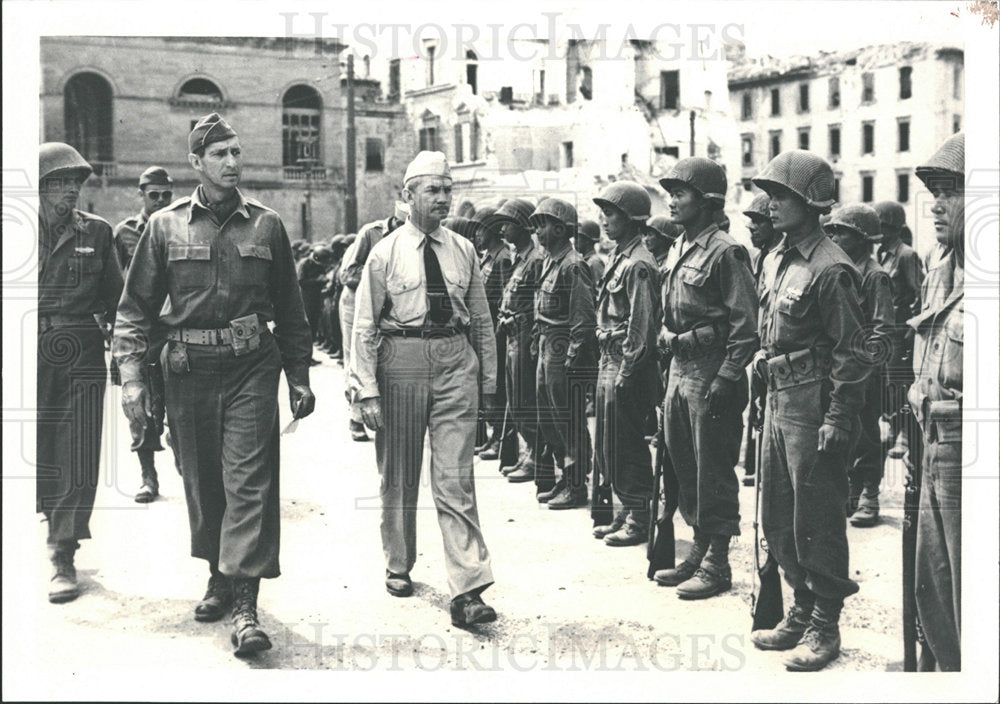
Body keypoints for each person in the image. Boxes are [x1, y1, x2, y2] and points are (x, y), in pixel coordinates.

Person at [113, 113, 316, 656]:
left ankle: (246, 606)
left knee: (249, 481)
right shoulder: (165, 227)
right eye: (220, 154)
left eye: (236, 152)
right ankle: (218, 574)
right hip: (188, 371)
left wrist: (298, 375)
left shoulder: (267, 225)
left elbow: (291, 310)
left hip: (252, 366)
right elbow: (133, 310)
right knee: (203, 482)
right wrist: (131, 378)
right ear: (196, 162)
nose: (232, 162)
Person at [350, 151, 499, 627]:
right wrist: (366, 390)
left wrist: (488, 381)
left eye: (448, 189)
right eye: (433, 190)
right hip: (401, 360)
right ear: (408, 195)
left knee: (456, 478)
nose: (443, 198)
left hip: (455, 360)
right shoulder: (384, 252)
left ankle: (468, 588)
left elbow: (481, 319)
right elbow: (364, 325)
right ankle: (398, 561)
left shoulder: (464, 250)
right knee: (399, 473)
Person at [747, 150, 870, 671]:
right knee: (778, 514)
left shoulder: (831, 267)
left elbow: (852, 353)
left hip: (812, 404)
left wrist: (839, 417)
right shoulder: (777, 258)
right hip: (778, 396)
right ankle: (799, 608)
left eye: (781, 196)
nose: (770, 205)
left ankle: (825, 623)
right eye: (770, 195)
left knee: (816, 517)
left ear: (811, 203)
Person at [652, 158, 759, 598]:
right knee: (684, 464)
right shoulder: (679, 247)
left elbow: (746, 326)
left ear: (707, 200)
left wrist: (727, 377)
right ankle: (698, 549)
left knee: (713, 466)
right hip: (679, 369)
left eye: (680, 193)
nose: (672, 201)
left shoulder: (726, 251)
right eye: (671, 193)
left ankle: (718, 561)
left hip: (711, 371)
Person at [37, 143, 124, 604]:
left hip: (80, 349)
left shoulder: (98, 232)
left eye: (76, 181)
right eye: (59, 181)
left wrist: (129, 358)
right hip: (25, 347)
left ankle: (63, 551)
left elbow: (119, 302)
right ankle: (49, 521)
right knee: (35, 447)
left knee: (76, 451)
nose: (70, 189)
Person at [907, 133, 964, 671]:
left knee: (970, 590)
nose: (937, 206)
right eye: (934, 194)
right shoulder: (938, 268)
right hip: (931, 446)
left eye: (951, 193)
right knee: (933, 584)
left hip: (970, 457)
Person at [590, 181, 661, 547]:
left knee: (627, 443)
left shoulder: (639, 263)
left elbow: (641, 324)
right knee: (608, 442)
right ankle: (626, 506)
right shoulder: (620, 256)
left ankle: (640, 514)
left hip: (625, 361)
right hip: (609, 357)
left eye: (611, 214)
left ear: (631, 218)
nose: (604, 220)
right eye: (603, 214)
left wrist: (629, 370)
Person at [824, 205, 895, 527]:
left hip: (866, 371)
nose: (834, 236)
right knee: (847, 432)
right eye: (833, 230)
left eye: (841, 231)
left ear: (862, 238)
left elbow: (882, 330)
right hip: (842, 368)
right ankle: (852, 491)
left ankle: (869, 495)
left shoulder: (874, 275)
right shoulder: (842, 270)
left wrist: (864, 369)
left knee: (866, 434)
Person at [528, 198, 597, 509]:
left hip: (563, 349)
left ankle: (577, 483)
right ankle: (565, 476)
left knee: (568, 419)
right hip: (547, 344)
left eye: (542, 225)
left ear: (559, 229)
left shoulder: (573, 264)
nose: (537, 231)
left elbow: (583, 317)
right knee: (549, 417)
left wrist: (573, 357)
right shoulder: (550, 261)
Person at [113, 166, 177, 503]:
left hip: (173, 332)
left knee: (180, 405)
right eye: (154, 195)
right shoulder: (124, 233)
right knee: (139, 410)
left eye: (166, 195)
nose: (161, 201)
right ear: (141, 195)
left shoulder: (180, 227)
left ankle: (186, 466)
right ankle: (148, 476)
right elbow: (115, 284)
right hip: (140, 331)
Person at [340, 203, 408, 441]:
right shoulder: (371, 233)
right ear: (395, 222)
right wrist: (380, 277)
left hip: (389, 305)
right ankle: (356, 418)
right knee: (357, 356)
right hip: (356, 301)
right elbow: (347, 273)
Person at [494, 199, 546, 484]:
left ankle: (536, 456)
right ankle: (530, 453)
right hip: (512, 335)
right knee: (515, 400)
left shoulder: (535, 260)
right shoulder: (520, 258)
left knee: (525, 399)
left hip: (525, 337)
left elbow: (538, 305)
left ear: (523, 226)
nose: (501, 229)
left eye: (507, 224)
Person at [873, 200, 924, 462]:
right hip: (885, 329)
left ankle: (903, 432)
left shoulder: (906, 255)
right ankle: (894, 425)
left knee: (899, 383)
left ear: (892, 227)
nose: (877, 232)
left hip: (901, 331)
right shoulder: (882, 254)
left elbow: (920, 293)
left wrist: (912, 328)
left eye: (881, 226)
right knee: (886, 382)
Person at [743, 192, 781, 486]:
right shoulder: (760, 258)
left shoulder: (782, 257)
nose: (751, 227)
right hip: (759, 350)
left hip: (778, 354)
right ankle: (755, 466)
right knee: (757, 409)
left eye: (759, 221)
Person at [472, 205, 513, 461]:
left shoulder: (503, 258)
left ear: (492, 230)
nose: (477, 235)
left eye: (480, 230)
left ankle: (500, 437)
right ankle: (494, 436)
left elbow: (505, 298)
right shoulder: (488, 257)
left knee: (497, 388)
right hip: (485, 331)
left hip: (497, 333)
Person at [575, 218, 606, 286]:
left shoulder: (595, 263)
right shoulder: (585, 261)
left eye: (577, 238)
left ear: (587, 241)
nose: (574, 241)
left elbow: (600, 289)